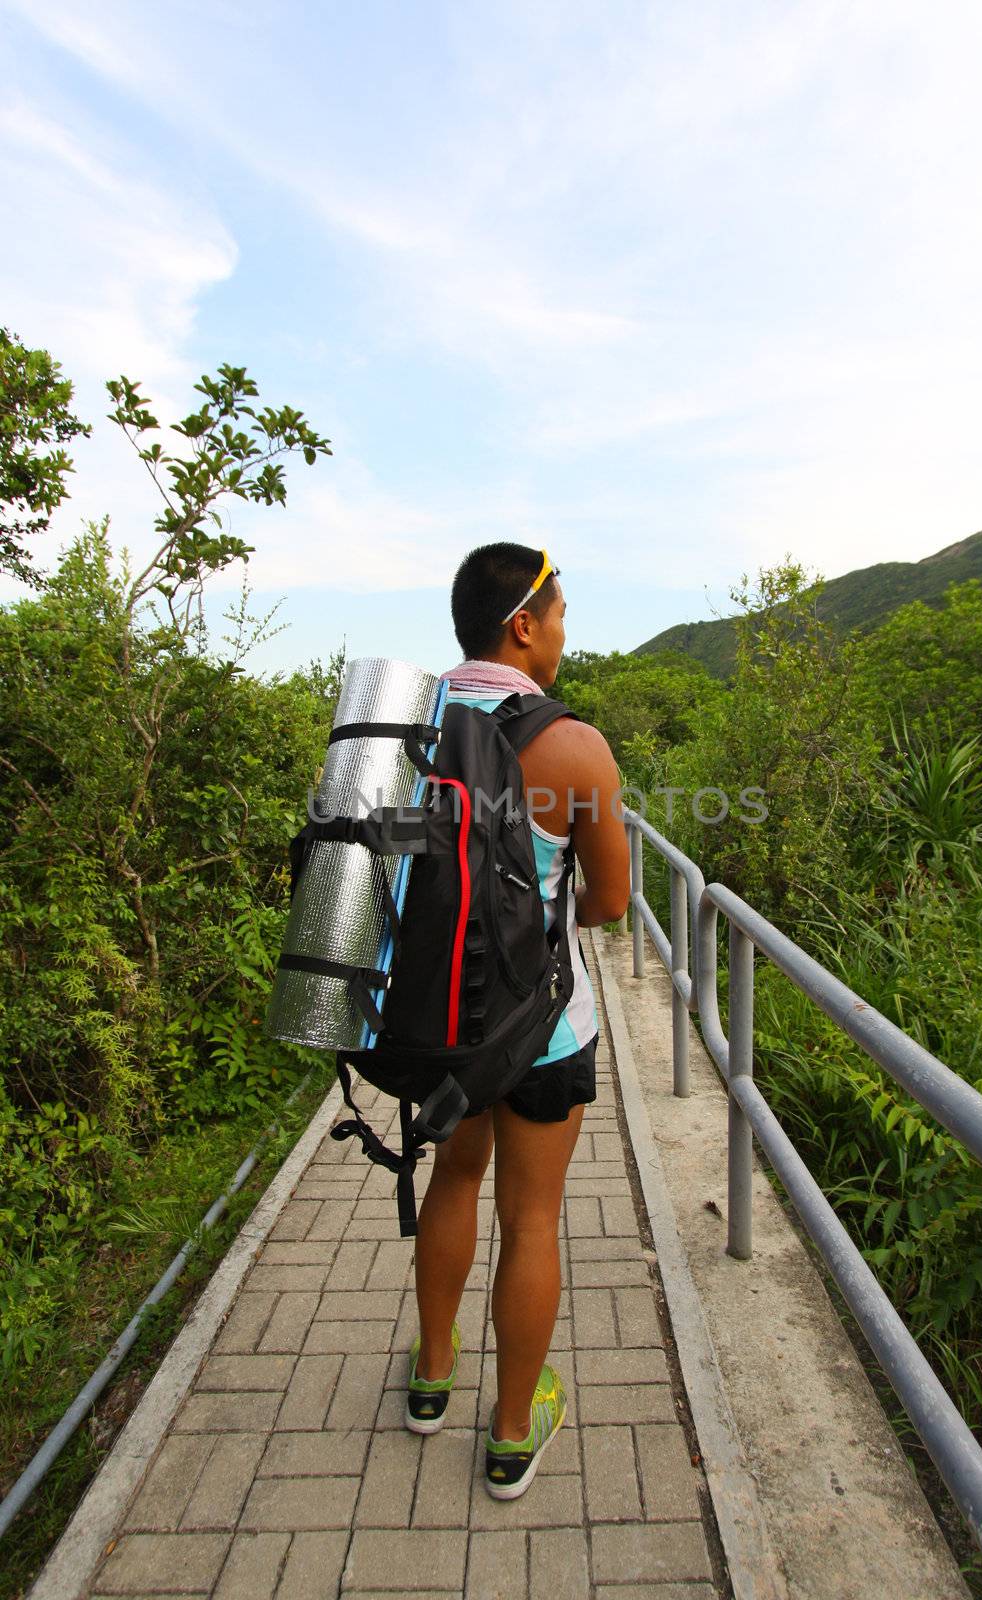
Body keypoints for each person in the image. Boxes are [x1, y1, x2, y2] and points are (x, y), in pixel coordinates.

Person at [404, 543, 630, 1500]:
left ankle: (429, 1377)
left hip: (432, 1019)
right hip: (538, 1029)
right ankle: (508, 1433)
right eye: (561, 614)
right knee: (529, 1221)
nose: (566, 634)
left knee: (456, 1178)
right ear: (524, 624)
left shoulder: (402, 721)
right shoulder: (572, 746)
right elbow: (610, 904)